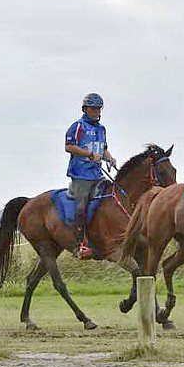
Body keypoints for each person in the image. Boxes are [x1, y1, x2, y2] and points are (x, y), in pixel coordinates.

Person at [65, 93, 117, 259]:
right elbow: (69, 147)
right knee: (82, 207)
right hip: (81, 174)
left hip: (97, 173)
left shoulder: (102, 129)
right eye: (92, 108)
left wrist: (109, 157)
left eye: (98, 108)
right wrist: (89, 154)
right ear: (85, 109)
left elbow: (104, 148)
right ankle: (80, 243)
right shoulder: (78, 126)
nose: (95, 111)